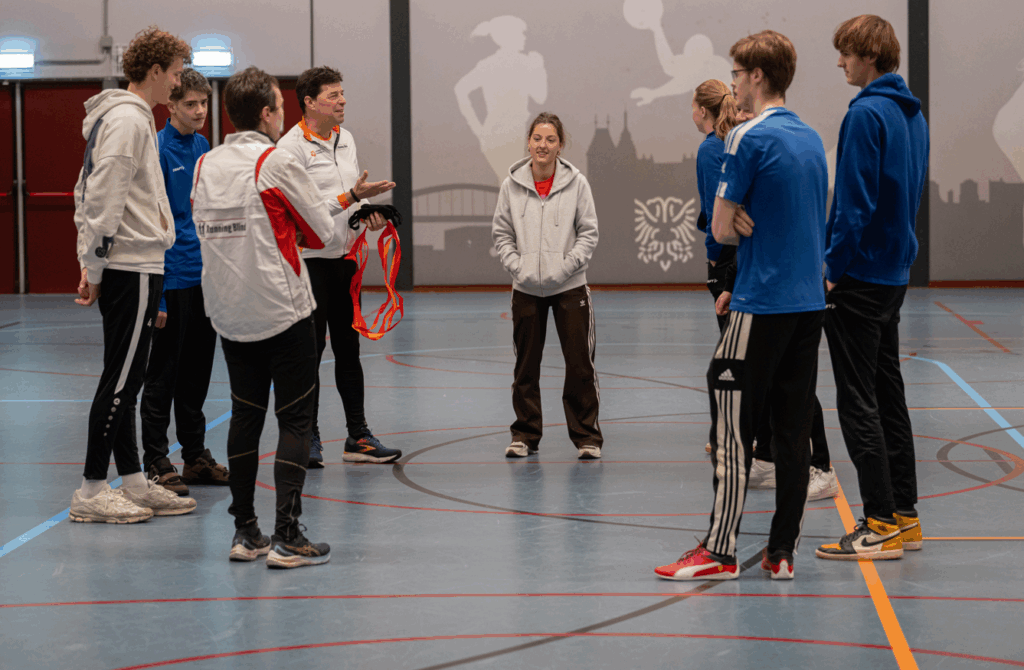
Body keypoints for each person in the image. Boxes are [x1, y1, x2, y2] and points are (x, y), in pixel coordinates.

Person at [655, 30, 828, 581]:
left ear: (756, 76)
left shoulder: (744, 138)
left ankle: (720, 548)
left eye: (735, 74)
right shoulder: (810, 137)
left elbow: (725, 229)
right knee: (793, 427)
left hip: (763, 302)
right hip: (808, 304)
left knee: (730, 419)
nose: (732, 84)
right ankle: (782, 553)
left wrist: (738, 220)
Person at [191, 66, 335, 567]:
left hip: (229, 313)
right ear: (268, 113)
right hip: (284, 311)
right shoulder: (274, 161)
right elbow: (320, 230)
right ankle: (287, 535)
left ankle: (245, 532)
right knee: (295, 418)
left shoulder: (204, 164)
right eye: (280, 106)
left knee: (244, 417)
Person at [69, 26, 197, 523]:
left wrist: (91, 260)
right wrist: (93, 266)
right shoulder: (126, 121)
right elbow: (99, 198)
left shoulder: (132, 118)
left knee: (129, 376)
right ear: (155, 71)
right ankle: (91, 489)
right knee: (120, 380)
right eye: (177, 73)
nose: (179, 83)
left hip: (140, 263)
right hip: (129, 264)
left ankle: (134, 482)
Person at [692, 80, 839, 503]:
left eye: (740, 74)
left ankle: (816, 464)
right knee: (769, 374)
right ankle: (771, 459)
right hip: (761, 277)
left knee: (768, 376)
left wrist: (725, 261)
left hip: (766, 282)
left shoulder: (738, 144)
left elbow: (719, 223)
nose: (736, 92)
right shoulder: (799, 139)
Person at [816, 15, 929, 561]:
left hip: (858, 277)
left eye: (845, 53)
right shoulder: (912, 112)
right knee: (889, 395)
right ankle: (904, 516)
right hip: (893, 275)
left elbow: (853, 203)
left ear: (868, 56)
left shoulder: (864, 114)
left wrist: (832, 267)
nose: (840, 62)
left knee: (857, 400)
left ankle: (878, 522)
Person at [277, 65, 401, 468]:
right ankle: (307, 437)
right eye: (333, 96)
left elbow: (351, 197)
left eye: (342, 94)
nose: (342, 101)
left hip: (345, 263)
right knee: (309, 355)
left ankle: (358, 437)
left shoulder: (344, 139)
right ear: (310, 103)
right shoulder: (291, 147)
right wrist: (351, 196)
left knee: (349, 351)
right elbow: (304, 210)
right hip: (308, 265)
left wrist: (368, 211)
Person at [492, 112, 602, 460]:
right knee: (525, 367)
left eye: (550, 139)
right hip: (525, 290)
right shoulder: (511, 185)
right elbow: (501, 234)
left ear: (560, 145)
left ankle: (587, 437)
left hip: (570, 288)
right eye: (537, 138)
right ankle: (525, 435)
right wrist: (519, 267)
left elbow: (589, 233)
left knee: (580, 366)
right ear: (528, 142)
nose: (543, 145)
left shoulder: (577, 183)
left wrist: (565, 268)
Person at [139, 68, 228, 496]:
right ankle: (156, 458)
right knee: (164, 374)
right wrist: (157, 294)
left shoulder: (205, 147)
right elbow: (152, 221)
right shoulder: (155, 149)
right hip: (169, 279)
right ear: (170, 105)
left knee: (196, 373)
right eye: (190, 104)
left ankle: (194, 456)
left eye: (203, 103)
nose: (198, 111)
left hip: (202, 276)